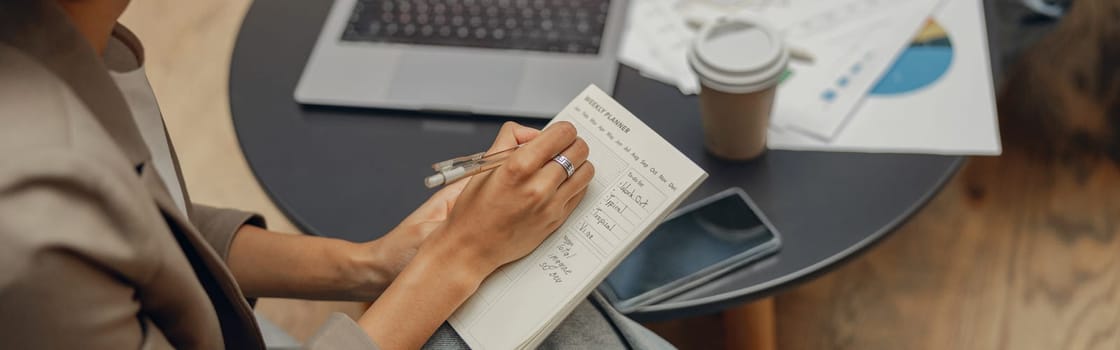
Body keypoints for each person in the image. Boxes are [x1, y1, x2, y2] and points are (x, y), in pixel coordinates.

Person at [0, 0, 675, 349]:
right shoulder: (30, 222)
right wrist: (457, 256)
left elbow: (156, 232)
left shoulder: (61, 42)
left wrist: (375, 263)